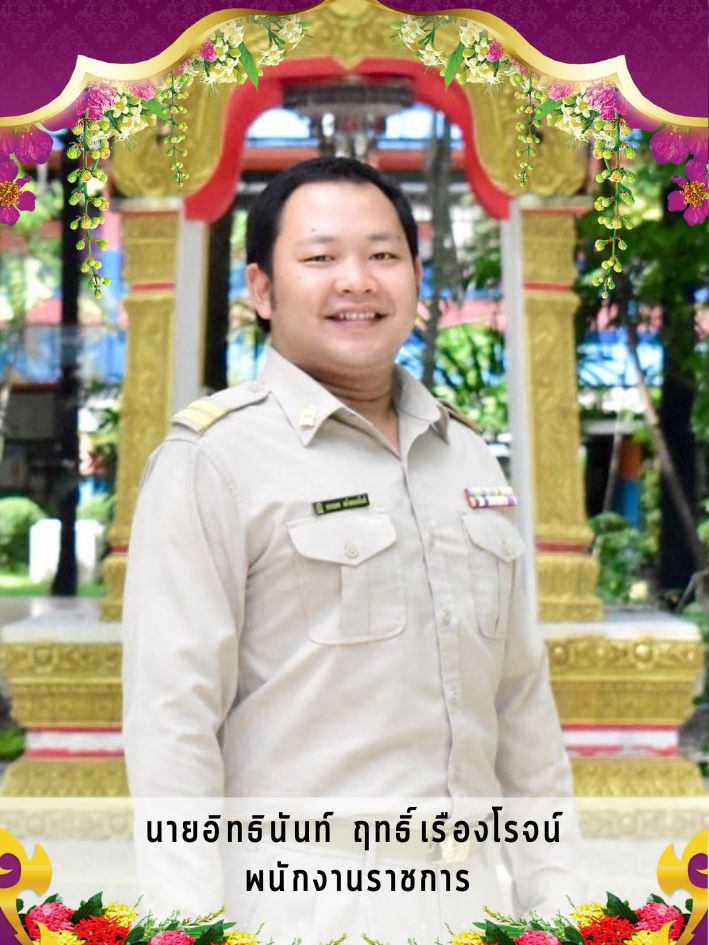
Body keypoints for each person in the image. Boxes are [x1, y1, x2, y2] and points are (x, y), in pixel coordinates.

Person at [122, 157, 583, 939]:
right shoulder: (213, 461)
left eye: (382, 254)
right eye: (319, 256)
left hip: (469, 906)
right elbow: (173, 721)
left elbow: (520, 706)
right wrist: (189, 926)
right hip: (296, 908)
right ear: (262, 289)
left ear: (414, 277)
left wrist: (558, 907)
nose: (356, 281)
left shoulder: (467, 455)